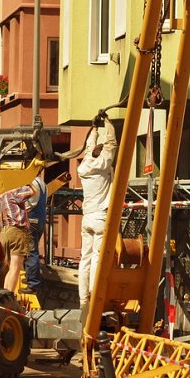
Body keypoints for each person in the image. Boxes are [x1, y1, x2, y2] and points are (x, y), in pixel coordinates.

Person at [77, 113, 117, 321]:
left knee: (84, 259)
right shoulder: (103, 165)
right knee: (96, 258)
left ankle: (83, 299)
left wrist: (94, 129)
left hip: (87, 218)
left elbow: (89, 148)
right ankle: (93, 294)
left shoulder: (84, 167)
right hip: (100, 218)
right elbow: (112, 143)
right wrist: (108, 124)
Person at [0, 182, 36, 294]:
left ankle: (5, 293)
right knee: (16, 267)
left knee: (10, 267)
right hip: (16, 231)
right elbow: (33, 191)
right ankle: (9, 295)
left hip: (5, 232)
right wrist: (29, 180)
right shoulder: (14, 192)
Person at [23, 174, 48, 293]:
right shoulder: (42, 183)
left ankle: (33, 284)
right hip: (40, 220)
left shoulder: (29, 182)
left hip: (31, 219)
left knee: (31, 252)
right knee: (32, 250)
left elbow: (27, 203)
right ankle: (30, 278)